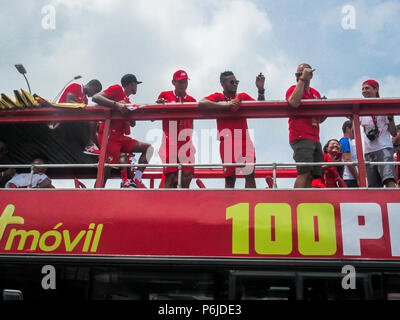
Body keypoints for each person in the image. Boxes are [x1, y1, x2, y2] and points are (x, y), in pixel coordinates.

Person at [198, 71, 265, 188]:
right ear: (223, 84)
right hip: (227, 141)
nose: (235, 84)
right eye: (232, 82)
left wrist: (260, 90)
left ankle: (250, 203)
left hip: (244, 139)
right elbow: (201, 103)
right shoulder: (218, 97)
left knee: (249, 175)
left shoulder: (242, 96)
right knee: (229, 179)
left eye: (237, 82)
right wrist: (226, 105)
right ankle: (228, 205)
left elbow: (261, 107)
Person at [92, 74, 153, 188]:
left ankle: (136, 179)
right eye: (136, 85)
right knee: (106, 170)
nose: (136, 88)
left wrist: (130, 110)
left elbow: (133, 124)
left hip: (120, 137)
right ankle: (95, 196)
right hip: (109, 136)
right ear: (132, 84)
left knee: (148, 148)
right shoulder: (117, 89)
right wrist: (117, 105)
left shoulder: (127, 100)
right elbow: (96, 97)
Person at [286, 63, 325, 188]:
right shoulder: (293, 89)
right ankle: (297, 202)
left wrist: (327, 109)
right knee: (304, 172)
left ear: (311, 75)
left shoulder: (315, 93)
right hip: (301, 136)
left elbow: (320, 119)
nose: (299, 77)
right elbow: (293, 102)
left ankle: (305, 202)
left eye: (302, 74)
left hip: (315, 137)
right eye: (297, 74)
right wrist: (303, 80)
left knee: (312, 174)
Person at [156, 70, 197, 188]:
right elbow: (154, 117)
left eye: (185, 81)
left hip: (186, 141)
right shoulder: (164, 95)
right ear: (173, 82)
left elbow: (192, 122)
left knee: (188, 173)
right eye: (180, 82)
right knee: (170, 175)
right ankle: (163, 204)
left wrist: (189, 136)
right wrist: (160, 106)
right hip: (171, 140)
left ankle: (183, 202)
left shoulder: (192, 100)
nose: (184, 84)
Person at [49, 79, 103, 156]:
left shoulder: (85, 99)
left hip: (73, 122)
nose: (94, 94)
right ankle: (90, 145)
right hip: (62, 118)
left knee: (95, 121)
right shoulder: (76, 86)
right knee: (92, 118)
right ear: (91, 86)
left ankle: (92, 145)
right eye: (96, 91)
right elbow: (69, 102)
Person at [360, 79, 397, 188]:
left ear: (376, 89)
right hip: (368, 151)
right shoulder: (360, 108)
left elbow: (393, 133)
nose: (364, 91)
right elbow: (353, 134)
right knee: (373, 187)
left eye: (367, 88)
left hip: (384, 147)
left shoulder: (385, 105)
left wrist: (390, 118)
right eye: (362, 89)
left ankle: (395, 204)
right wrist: (351, 118)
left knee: (388, 179)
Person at [339, 120, 359, 187]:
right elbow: (348, 159)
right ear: (348, 129)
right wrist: (358, 178)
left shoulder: (349, 141)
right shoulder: (345, 141)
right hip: (350, 179)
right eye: (354, 128)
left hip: (352, 178)